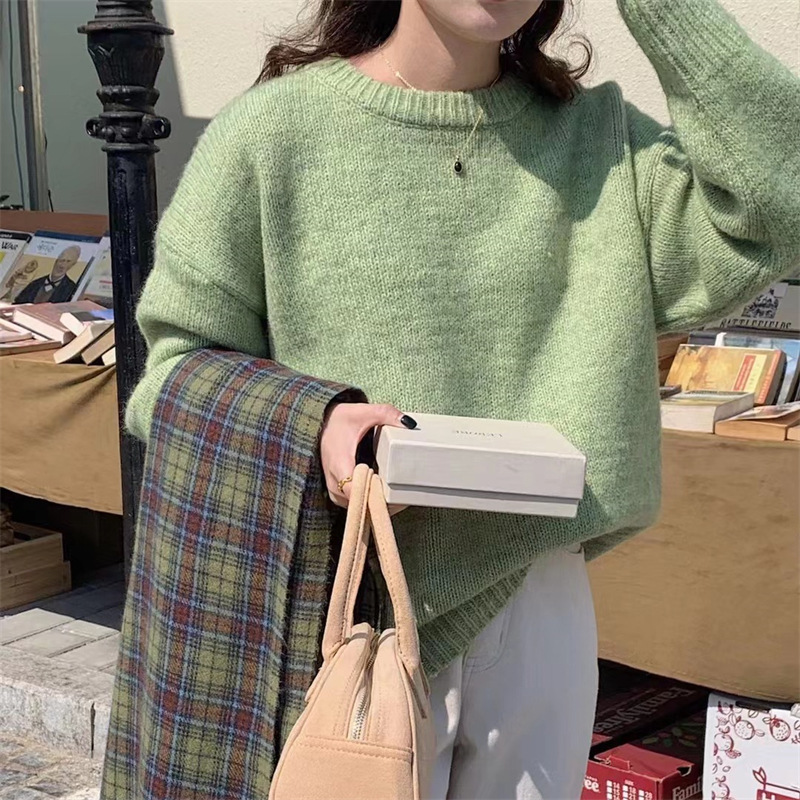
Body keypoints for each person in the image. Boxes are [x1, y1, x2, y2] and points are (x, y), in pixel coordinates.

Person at [122, 0, 800, 797]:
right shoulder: (273, 134)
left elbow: (779, 204)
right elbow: (172, 373)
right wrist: (316, 424)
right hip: (348, 598)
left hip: (537, 589)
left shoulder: (602, 144)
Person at [14, 245, 80, 304]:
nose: (62, 265)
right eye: (61, 260)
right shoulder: (35, 283)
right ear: (56, 260)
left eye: (68, 261)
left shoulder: (71, 289)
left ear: (72, 265)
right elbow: (17, 304)